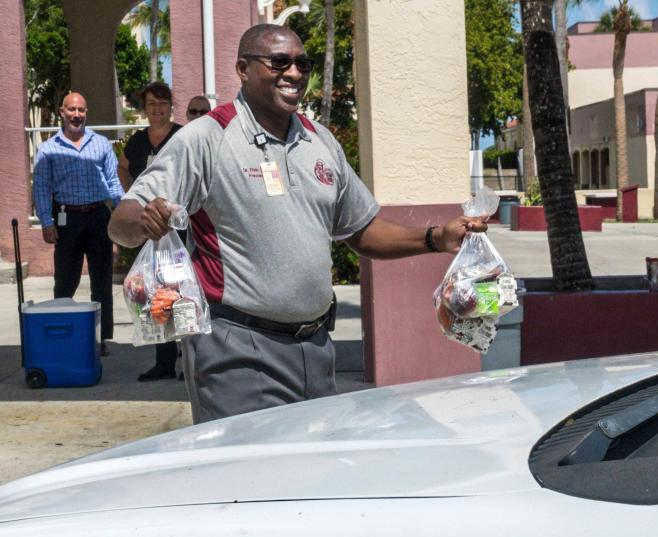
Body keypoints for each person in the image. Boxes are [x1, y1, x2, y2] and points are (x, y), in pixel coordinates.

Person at [108, 24, 487, 423]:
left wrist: (435, 238)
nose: (294, 73)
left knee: (309, 476)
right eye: (279, 62)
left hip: (315, 349)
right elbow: (121, 221)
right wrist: (146, 219)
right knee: (250, 477)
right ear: (242, 68)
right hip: (237, 351)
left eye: (302, 64)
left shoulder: (319, 141)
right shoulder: (208, 137)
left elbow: (360, 228)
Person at [33, 92, 124, 356]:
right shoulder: (49, 149)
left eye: (81, 110)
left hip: (98, 217)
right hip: (66, 219)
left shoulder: (102, 144)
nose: (76, 115)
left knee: (101, 282)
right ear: (62, 112)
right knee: (65, 282)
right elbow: (41, 188)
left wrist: (124, 212)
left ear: (86, 112)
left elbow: (114, 182)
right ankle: (63, 333)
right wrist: (47, 223)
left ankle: (102, 339)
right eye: (71, 110)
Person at [118, 82, 184, 382]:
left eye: (162, 103)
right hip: (150, 228)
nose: (157, 109)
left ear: (171, 106)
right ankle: (165, 362)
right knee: (159, 295)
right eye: (151, 104)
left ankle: (193, 360)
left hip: (180, 227)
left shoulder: (183, 136)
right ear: (144, 109)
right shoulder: (138, 140)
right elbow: (123, 166)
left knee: (186, 293)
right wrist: (132, 197)